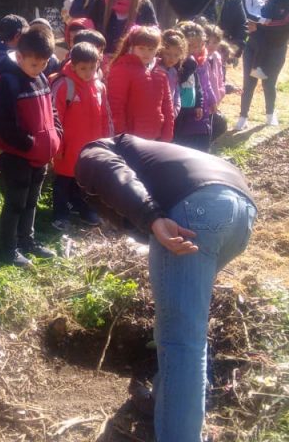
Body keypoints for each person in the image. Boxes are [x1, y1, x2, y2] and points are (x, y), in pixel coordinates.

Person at [75, 135, 256, 442]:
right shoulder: (154, 158)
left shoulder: (94, 152)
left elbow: (110, 174)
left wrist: (151, 217)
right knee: (180, 325)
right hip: (241, 212)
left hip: (197, 212)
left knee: (181, 341)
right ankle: (167, 402)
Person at [0, 27, 61, 268]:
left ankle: (27, 240)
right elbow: (0, 120)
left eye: (44, 63)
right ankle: (9, 248)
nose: (39, 68)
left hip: (41, 154)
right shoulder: (6, 82)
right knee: (15, 202)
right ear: (19, 57)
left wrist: (57, 133)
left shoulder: (40, 78)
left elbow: (52, 109)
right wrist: (28, 143)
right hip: (17, 155)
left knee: (31, 200)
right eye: (34, 64)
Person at [235, 0, 289, 131]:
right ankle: (243, 117)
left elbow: (282, 23)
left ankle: (270, 114)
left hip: (275, 50)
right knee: (248, 83)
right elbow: (250, 17)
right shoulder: (265, 2)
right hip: (253, 47)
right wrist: (251, 25)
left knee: (269, 83)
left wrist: (258, 25)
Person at [50, 42, 109, 230]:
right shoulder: (64, 85)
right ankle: (60, 214)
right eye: (83, 68)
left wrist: (107, 141)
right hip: (67, 146)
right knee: (63, 182)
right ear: (73, 65)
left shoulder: (100, 87)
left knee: (85, 182)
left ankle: (84, 210)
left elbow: (105, 116)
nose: (88, 72)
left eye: (93, 67)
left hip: (91, 147)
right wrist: (56, 146)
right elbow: (53, 118)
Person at [106, 25, 174, 142]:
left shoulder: (160, 73)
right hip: (130, 139)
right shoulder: (122, 69)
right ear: (131, 47)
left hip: (155, 138)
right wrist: (121, 138)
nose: (146, 53)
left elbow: (167, 107)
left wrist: (167, 137)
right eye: (141, 48)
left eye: (151, 49)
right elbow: (116, 106)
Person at [88, 0, 159, 58]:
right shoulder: (101, 2)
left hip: (131, 60)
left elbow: (153, 34)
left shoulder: (144, 5)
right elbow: (89, 28)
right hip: (100, 58)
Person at [173, 22, 218, 152]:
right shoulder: (179, 61)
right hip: (183, 108)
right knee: (183, 142)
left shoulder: (201, 61)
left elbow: (204, 83)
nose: (194, 49)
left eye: (198, 46)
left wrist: (211, 100)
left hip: (200, 108)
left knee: (202, 140)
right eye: (191, 46)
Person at [155, 28, 188, 120]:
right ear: (160, 51)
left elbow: (177, 92)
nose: (172, 58)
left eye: (176, 55)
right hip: (156, 113)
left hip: (170, 114)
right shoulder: (156, 70)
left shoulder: (174, 72)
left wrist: (176, 108)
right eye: (168, 54)